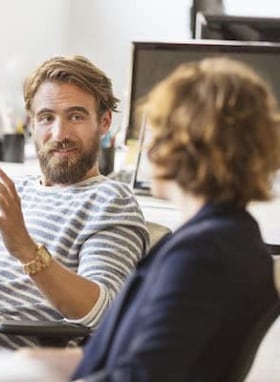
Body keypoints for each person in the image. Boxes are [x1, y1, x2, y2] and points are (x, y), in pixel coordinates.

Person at [23, 57, 280, 381]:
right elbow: (129, 357)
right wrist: (29, 364)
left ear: (191, 147)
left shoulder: (204, 256)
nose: (148, 147)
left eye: (158, 131)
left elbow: (143, 375)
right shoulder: (219, 237)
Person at [0, 55, 149, 357]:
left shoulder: (111, 202)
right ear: (31, 124)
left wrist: (25, 248)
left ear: (103, 122)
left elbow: (102, 311)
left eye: (75, 116)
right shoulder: (9, 190)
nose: (59, 134)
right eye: (47, 118)